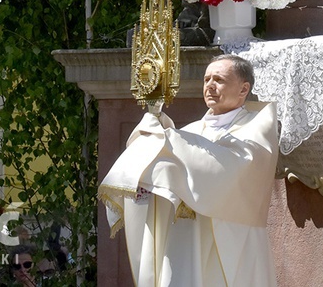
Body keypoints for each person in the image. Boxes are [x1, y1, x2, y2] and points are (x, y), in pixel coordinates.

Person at [99, 54, 279, 286]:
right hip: (185, 241)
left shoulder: (257, 129)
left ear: (244, 89)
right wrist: (153, 139)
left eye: (219, 80)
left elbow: (229, 167)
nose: (210, 86)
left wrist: (166, 141)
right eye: (206, 80)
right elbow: (174, 167)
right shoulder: (191, 132)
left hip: (233, 242)